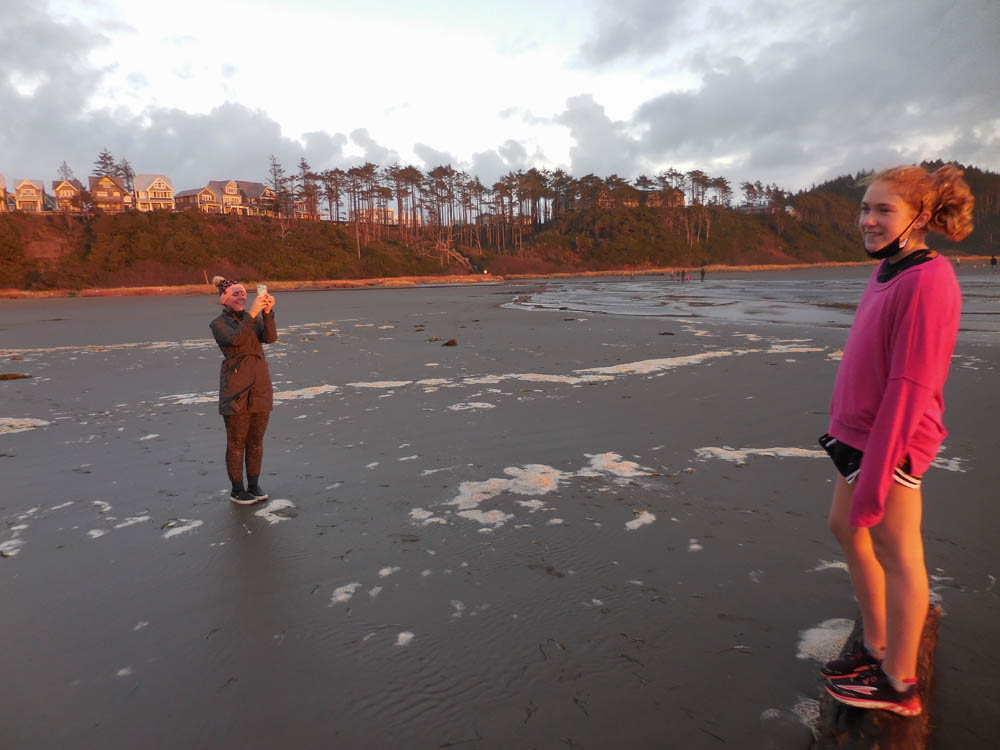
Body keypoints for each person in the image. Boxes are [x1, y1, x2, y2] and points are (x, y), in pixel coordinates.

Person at [818, 165, 973, 717]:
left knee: (899, 553)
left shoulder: (930, 281)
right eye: (865, 208)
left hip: (895, 440)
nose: (868, 220)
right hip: (857, 434)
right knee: (845, 528)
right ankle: (876, 644)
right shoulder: (889, 269)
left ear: (921, 217)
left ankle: (899, 683)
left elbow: (911, 386)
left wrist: (879, 476)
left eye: (883, 210)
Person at [210, 276, 277, 504]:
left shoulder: (252, 320)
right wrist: (252, 314)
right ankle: (237, 490)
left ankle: (254, 485)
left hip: (260, 387)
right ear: (224, 300)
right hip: (236, 389)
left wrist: (267, 313)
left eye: (243, 294)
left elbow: (270, 337)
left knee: (256, 440)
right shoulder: (219, 324)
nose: (242, 297)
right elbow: (236, 341)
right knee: (237, 442)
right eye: (236, 294)